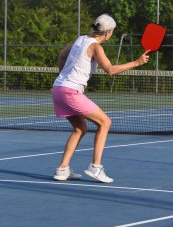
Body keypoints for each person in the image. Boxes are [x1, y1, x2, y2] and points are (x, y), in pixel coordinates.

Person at [52, 14, 150, 183]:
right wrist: (137, 62)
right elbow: (110, 70)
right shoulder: (96, 47)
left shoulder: (80, 39)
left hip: (58, 89)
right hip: (70, 91)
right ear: (108, 33)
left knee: (80, 128)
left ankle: (62, 169)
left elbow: (62, 55)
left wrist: (65, 77)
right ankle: (96, 167)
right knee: (105, 122)